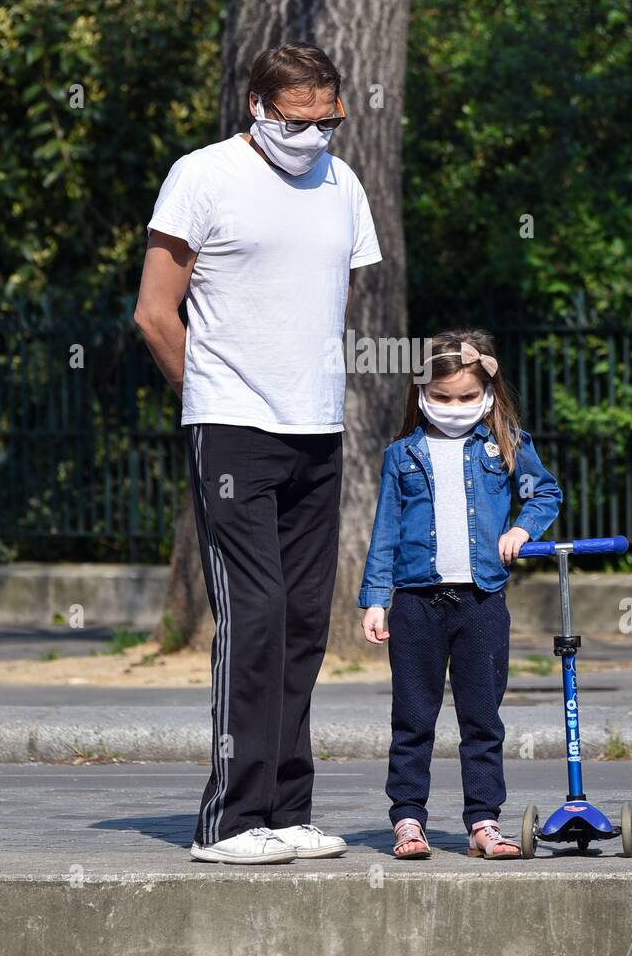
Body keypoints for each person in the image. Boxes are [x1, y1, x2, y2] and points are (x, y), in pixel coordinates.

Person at [135, 43, 382, 864]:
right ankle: (230, 822)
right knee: (257, 614)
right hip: (231, 425)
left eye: (327, 120)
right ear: (256, 106)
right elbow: (153, 313)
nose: (312, 134)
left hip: (315, 425)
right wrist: (205, 398)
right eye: (295, 120)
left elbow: (334, 300)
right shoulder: (202, 175)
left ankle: (287, 810)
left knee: (308, 619)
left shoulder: (342, 184)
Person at [358, 329, 562, 860]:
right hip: (415, 605)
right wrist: (376, 597)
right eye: (443, 398)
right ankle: (407, 819)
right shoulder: (402, 454)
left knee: (482, 720)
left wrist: (522, 530)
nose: (455, 407)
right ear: (422, 394)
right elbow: (385, 529)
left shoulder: (506, 442)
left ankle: (484, 822)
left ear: (488, 393)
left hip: (482, 603)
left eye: (468, 397)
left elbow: (544, 492)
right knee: (413, 717)